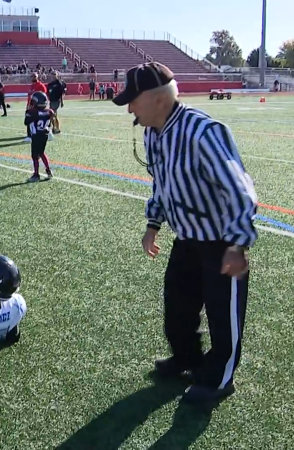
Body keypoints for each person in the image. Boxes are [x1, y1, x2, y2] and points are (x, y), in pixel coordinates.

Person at [113, 62, 258, 403]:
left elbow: (240, 190)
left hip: (221, 241)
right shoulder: (153, 133)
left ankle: (219, 379)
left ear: (156, 99)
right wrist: (153, 224)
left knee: (223, 316)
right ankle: (187, 358)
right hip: (187, 238)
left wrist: (238, 245)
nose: (130, 108)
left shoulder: (203, 132)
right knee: (178, 306)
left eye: (134, 100)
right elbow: (161, 184)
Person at [23, 91, 54, 182]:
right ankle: (48, 171)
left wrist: (29, 112)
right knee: (42, 153)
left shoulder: (32, 112)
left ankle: (36, 174)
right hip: (44, 134)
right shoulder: (49, 112)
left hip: (36, 136)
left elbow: (26, 122)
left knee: (35, 156)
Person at [24, 73, 47, 142]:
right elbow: (29, 97)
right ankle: (30, 134)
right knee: (29, 119)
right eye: (32, 77)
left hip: (37, 107)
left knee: (35, 120)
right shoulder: (31, 86)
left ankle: (30, 135)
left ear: (37, 77)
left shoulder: (41, 86)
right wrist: (28, 105)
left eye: (34, 77)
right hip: (31, 105)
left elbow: (44, 96)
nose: (33, 78)